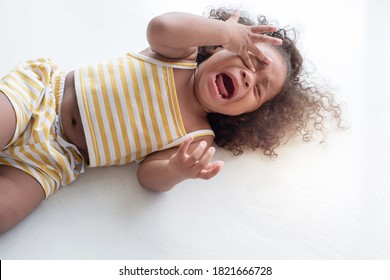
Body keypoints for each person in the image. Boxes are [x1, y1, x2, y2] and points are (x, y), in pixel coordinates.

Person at [0, 8, 341, 232]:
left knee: (6, 213)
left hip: (58, 160)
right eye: (251, 59)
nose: (251, 78)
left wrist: (176, 171)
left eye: (259, 90)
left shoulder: (197, 136)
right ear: (219, 47)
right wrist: (223, 30)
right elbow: (160, 27)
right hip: (43, 97)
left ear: (247, 116)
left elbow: (148, 177)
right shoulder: (178, 56)